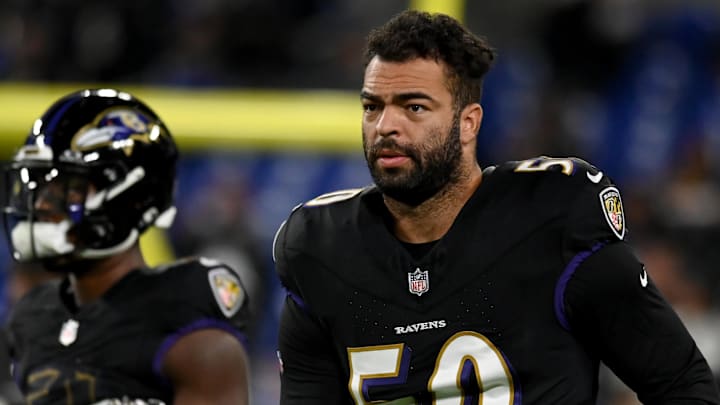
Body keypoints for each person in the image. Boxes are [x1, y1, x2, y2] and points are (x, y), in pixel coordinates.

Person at [273, 10, 720, 404]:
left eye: (414, 107)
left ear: (468, 123)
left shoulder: (551, 218)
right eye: (373, 107)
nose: (386, 125)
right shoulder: (321, 248)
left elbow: (681, 385)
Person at [2, 89, 250, 404]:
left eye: (69, 189)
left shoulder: (181, 313)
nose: (43, 205)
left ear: (132, 197)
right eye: (41, 188)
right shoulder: (33, 317)